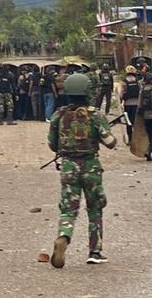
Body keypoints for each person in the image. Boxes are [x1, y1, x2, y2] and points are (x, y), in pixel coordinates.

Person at [48, 73, 116, 268]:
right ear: (88, 92)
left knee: (68, 209)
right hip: (91, 168)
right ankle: (95, 251)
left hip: (68, 167)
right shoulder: (96, 116)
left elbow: (53, 145)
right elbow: (110, 143)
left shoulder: (59, 115)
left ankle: (64, 237)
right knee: (95, 208)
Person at [119, 65, 140, 145]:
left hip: (127, 104)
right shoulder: (137, 80)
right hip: (136, 104)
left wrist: (120, 101)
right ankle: (137, 139)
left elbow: (122, 93)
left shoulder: (124, 81)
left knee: (128, 122)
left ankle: (130, 139)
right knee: (135, 122)